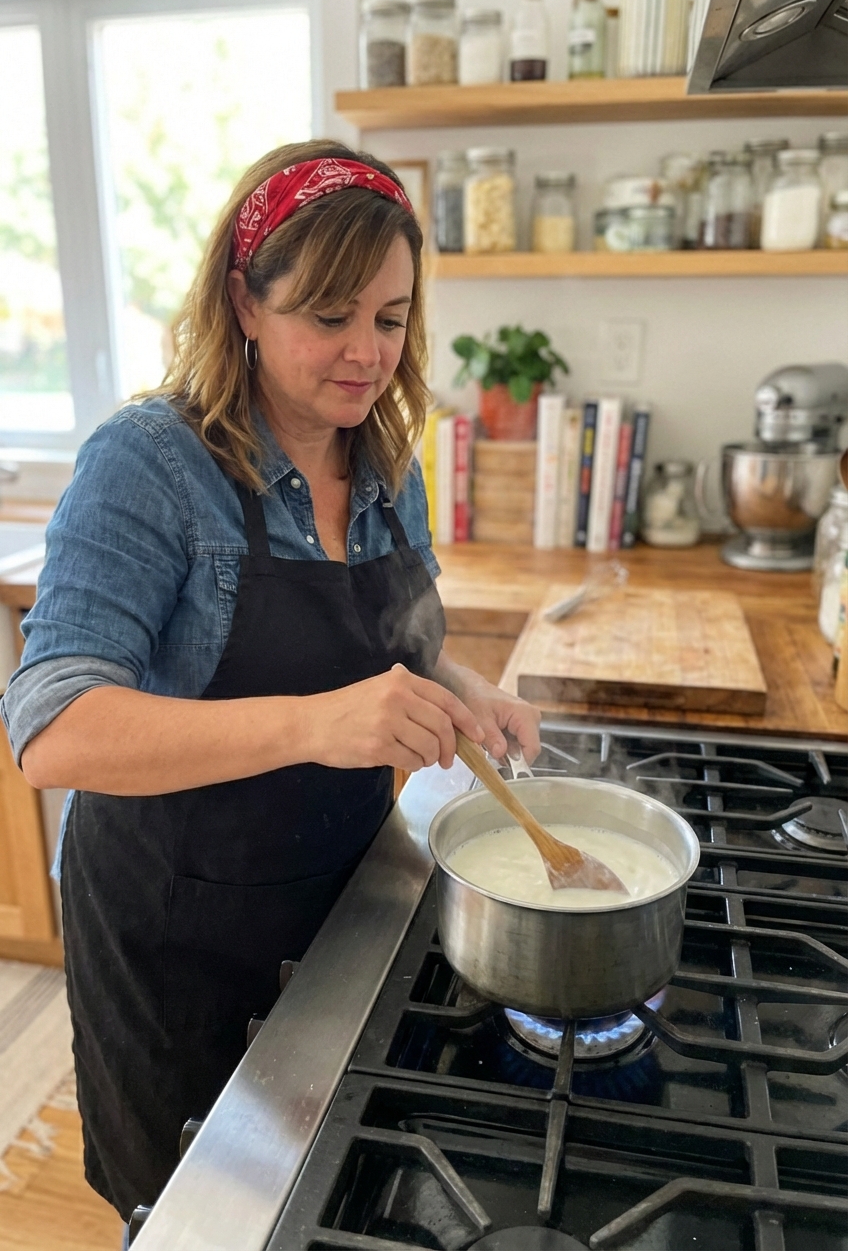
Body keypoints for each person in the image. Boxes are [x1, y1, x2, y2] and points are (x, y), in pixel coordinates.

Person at [1, 140, 540, 1223]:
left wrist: (463, 686)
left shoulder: (385, 461)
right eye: (329, 315)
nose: (366, 353)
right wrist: (314, 724)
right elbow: (52, 727)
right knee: (198, 1213)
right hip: (176, 932)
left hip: (340, 903)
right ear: (245, 302)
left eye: (390, 318)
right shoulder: (150, 464)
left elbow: (391, 643)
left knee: (326, 1196)